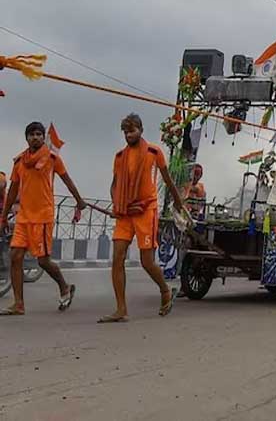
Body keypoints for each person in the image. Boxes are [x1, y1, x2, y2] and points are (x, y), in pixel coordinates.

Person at [99, 114, 184, 323]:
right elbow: (114, 185)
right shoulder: (120, 156)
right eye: (126, 132)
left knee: (147, 262)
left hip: (146, 210)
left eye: (132, 131)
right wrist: (116, 204)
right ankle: (121, 309)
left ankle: (165, 290)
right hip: (125, 213)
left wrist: (178, 202)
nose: (129, 135)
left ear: (141, 130)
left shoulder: (154, 152)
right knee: (117, 258)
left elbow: (167, 180)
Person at [0, 122, 87, 316]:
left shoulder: (52, 159)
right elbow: (13, 190)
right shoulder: (20, 162)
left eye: (39, 134)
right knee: (15, 257)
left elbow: (67, 180)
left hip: (43, 217)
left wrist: (79, 200)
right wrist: (4, 217)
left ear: (42, 137)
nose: (35, 137)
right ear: (27, 138)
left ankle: (65, 287)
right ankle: (18, 304)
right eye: (32, 134)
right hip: (24, 217)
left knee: (43, 261)